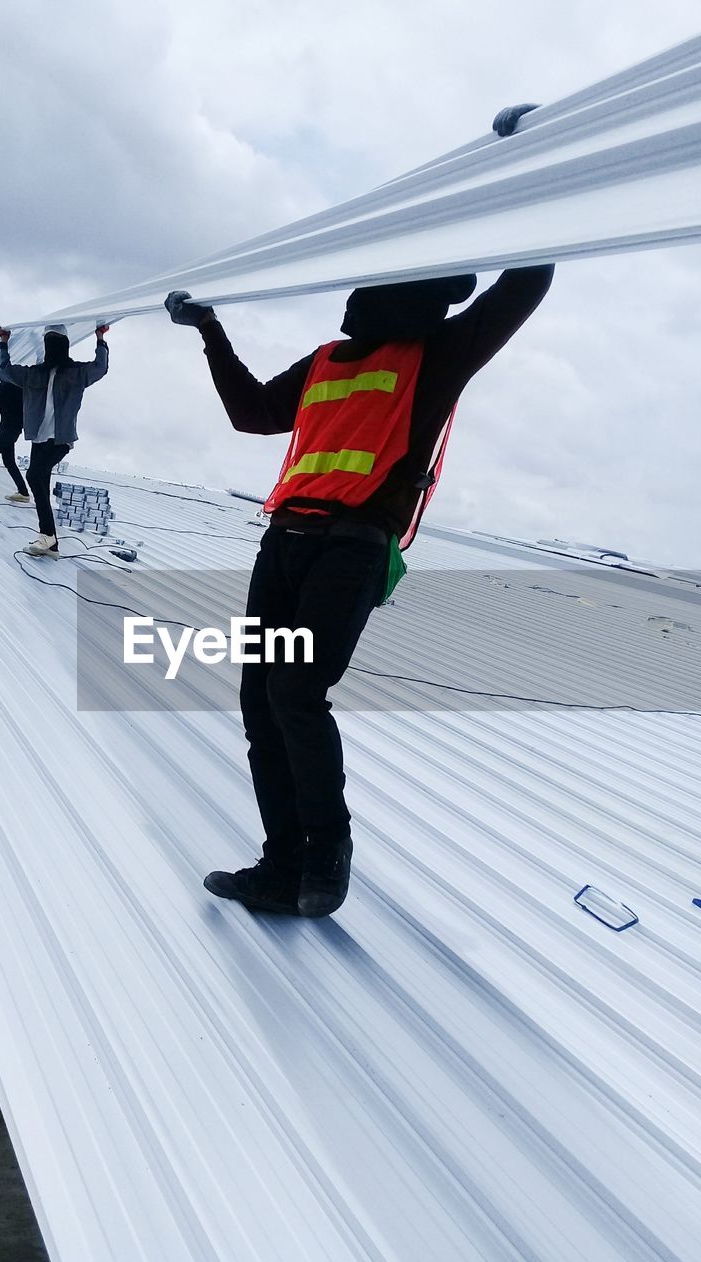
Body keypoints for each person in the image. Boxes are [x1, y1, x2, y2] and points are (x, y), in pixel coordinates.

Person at [165, 104, 551, 919]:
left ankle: (326, 859)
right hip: (284, 543)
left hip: (350, 548)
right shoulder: (328, 360)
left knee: (296, 694)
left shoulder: (437, 356)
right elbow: (250, 413)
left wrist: (534, 161)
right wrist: (210, 333)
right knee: (260, 701)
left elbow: (528, 282)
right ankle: (281, 865)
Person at [0, 322, 110, 557]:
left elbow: (100, 367)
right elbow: (4, 370)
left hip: (61, 439)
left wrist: (101, 341)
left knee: (33, 475)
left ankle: (46, 536)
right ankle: (51, 543)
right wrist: (3, 343)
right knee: (41, 484)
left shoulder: (76, 372)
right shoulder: (35, 373)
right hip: (39, 438)